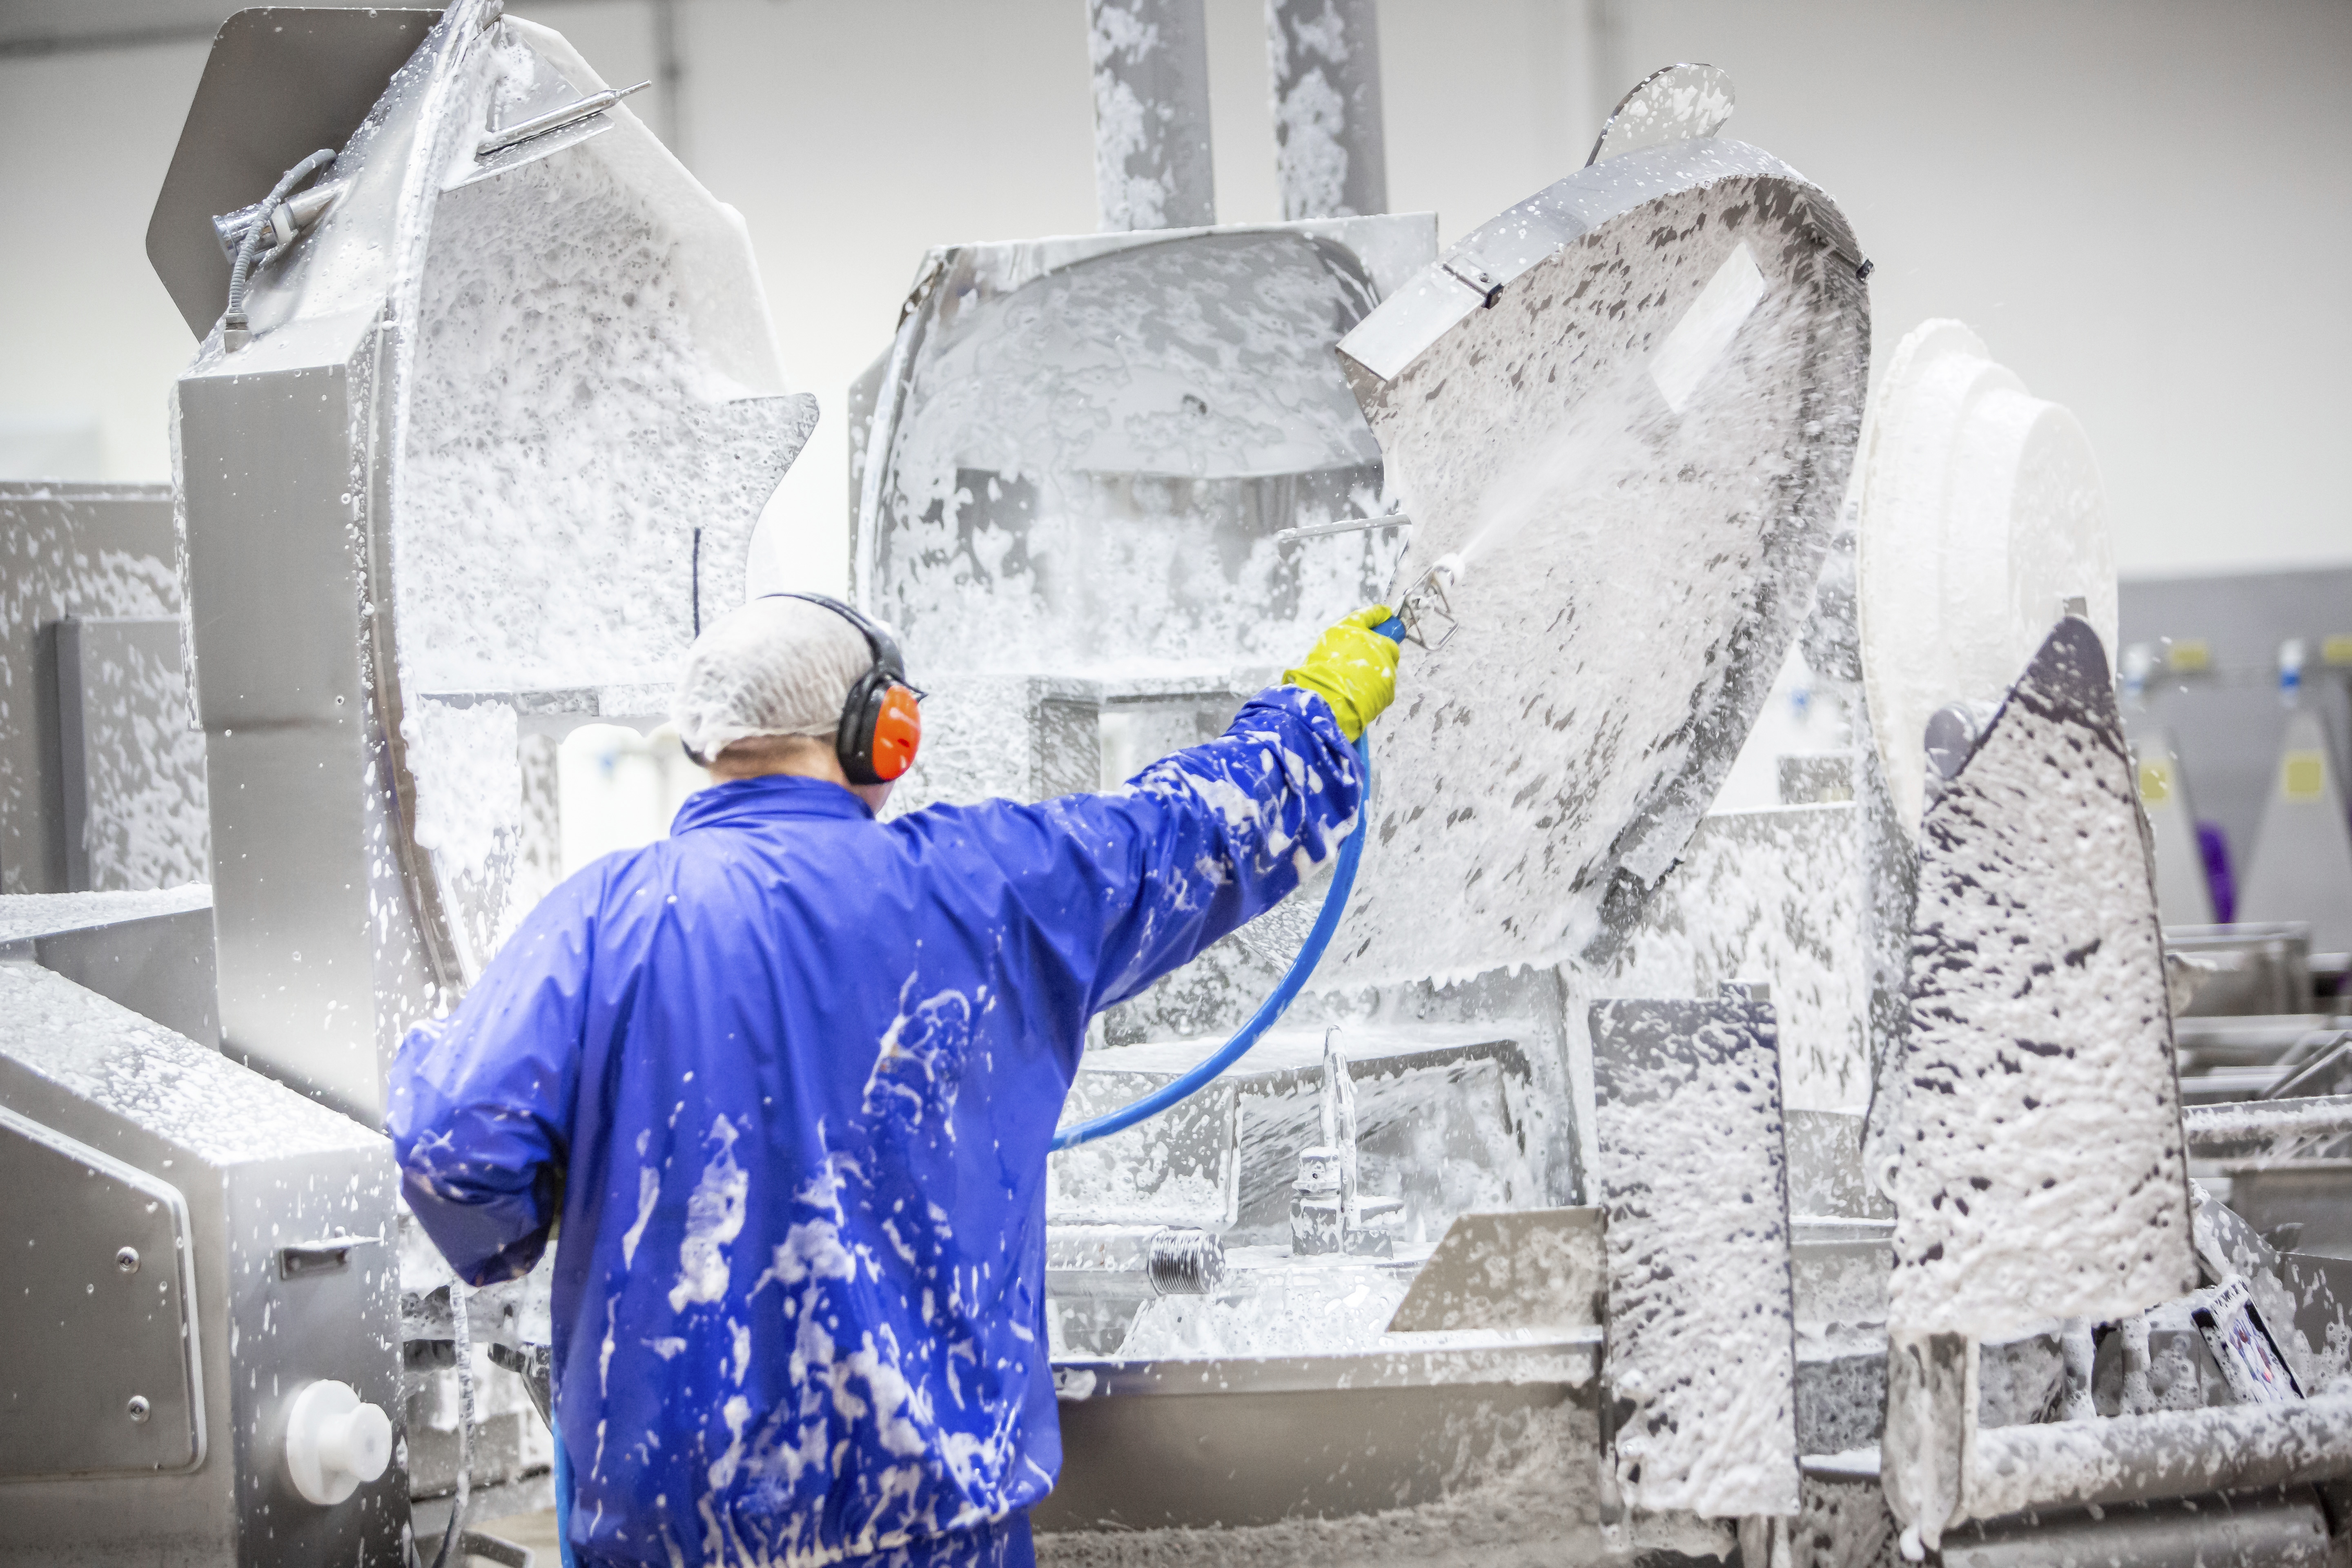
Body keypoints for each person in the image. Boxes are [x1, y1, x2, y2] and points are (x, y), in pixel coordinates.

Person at [387, 592, 1400, 1568]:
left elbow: (453, 1149)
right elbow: (1194, 828)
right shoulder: (986, 887)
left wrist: (543, 1222)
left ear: (711, 742)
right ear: (886, 733)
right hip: (932, 1523)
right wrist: (1320, 711)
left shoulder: (598, 922)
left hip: (672, 1531)